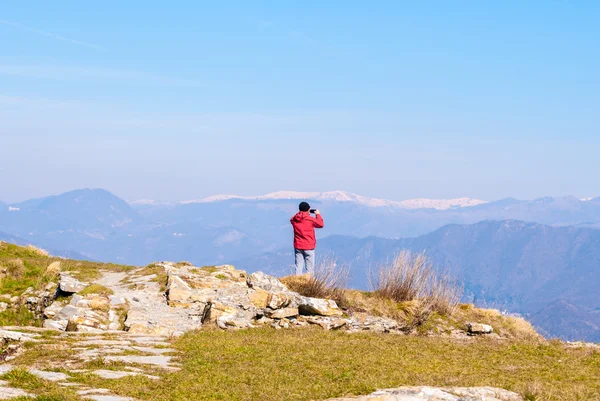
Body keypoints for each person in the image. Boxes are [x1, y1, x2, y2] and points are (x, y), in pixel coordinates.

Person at [290, 201, 324, 275]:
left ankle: (297, 283)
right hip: (309, 246)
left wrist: (300, 214)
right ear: (308, 210)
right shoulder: (310, 219)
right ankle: (310, 284)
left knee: (298, 267)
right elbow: (321, 224)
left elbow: (292, 219)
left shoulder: (294, 220)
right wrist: (318, 214)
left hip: (298, 246)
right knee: (310, 269)